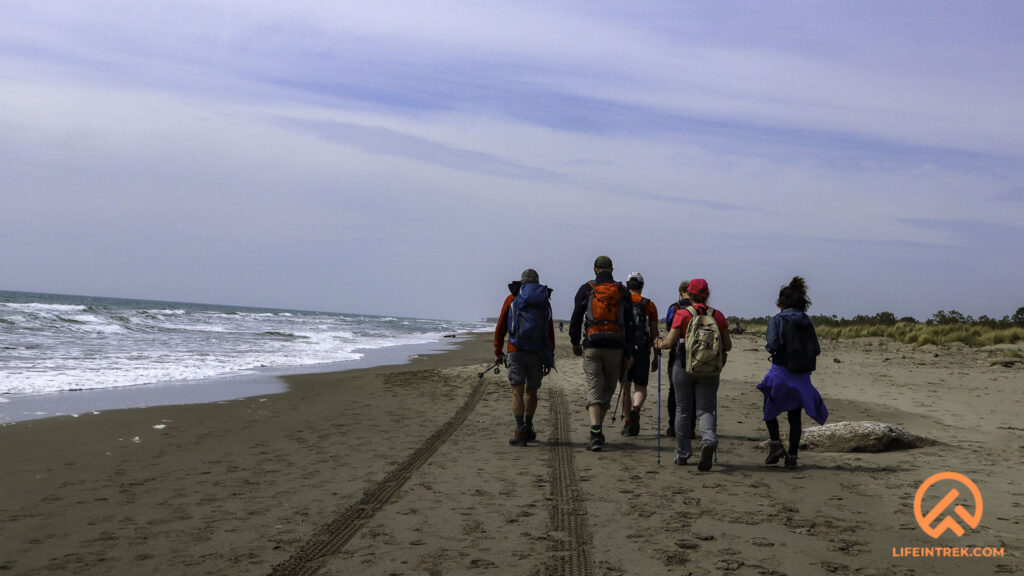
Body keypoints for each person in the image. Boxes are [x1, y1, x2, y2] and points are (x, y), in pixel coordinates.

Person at [654, 278, 732, 471]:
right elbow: (728, 345)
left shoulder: (682, 314)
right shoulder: (718, 315)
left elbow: (670, 343)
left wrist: (658, 343)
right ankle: (709, 439)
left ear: (689, 294)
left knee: (682, 409)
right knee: (705, 409)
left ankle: (683, 454)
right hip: (710, 368)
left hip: (683, 365)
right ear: (707, 294)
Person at [759, 276, 829, 468]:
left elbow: (772, 344)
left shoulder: (776, 320)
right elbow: (816, 349)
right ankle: (792, 456)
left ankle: (775, 444)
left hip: (781, 370)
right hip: (801, 375)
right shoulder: (807, 322)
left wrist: (770, 348)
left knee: (769, 406)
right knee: (794, 416)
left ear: (781, 302)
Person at [569, 255, 636, 451]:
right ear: (612, 270)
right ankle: (596, 431)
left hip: (592, 344)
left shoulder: (586, 289)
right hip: (616, 347)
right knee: (607, 390)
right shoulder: (622, 291)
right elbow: (630, 324)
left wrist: (575, 342)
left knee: (593, 388)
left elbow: (576, 317)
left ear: (595, 269)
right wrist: (629, 351)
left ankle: (595, 432)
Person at [494, 268, 556, 446]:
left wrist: (498, 351)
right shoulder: (544, 300)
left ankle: (520, 431)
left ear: (521, 282)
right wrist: (549, 358)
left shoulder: (512, 298)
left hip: (516, 350)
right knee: (531, 391)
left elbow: (500, 327)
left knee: (517, 391)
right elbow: (548, 331)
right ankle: (528, 427)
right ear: (537, 283)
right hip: (536, 352)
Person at [619, 272, 659, 437]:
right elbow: (654, 332)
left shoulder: (621, 302)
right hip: (642, 350)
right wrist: (656, 356)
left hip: (624, 349)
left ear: (627, 286)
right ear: (642, 286)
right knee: (640, 387)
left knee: (624, 388)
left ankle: (627, 422)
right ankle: (636, 409)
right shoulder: (649, 305)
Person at [662, 281, 695, 439]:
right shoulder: (701, 309)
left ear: (681, 291)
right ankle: (691, 427)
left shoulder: (675, 308)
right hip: (698, 355)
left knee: (674, 391)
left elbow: (669, 327)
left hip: (677, 353)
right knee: (694, 392)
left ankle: (672, 426)